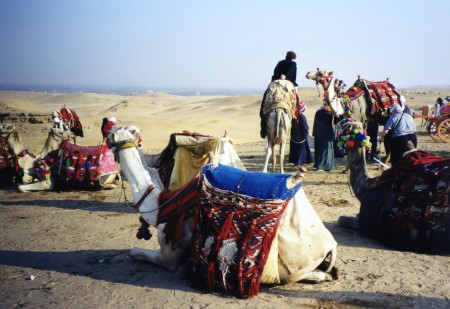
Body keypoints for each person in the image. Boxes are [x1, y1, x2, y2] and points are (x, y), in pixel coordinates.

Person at [260, 51, 298, 138]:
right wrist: (286, 78)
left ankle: (263, 120)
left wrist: (278, 78)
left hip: (276, 82)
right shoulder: (293, 64)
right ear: (293, 57)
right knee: (296, 99)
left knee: (266, 96)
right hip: (287, 83)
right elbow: (292, 75)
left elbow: (275, 73)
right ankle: (295, 119)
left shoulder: (280, 62)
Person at [312, 104, 336, 171]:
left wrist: (314, 134)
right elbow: (336, 122)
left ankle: (318, 165)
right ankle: (327, 166)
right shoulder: (330, 113)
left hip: (318, 134)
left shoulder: (318, 112)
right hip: (327, 134)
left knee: (319, 150)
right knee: (327, 150)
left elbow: (315, 124)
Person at [289, 101, 313, 166]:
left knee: (296, 150)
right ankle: (299, 162)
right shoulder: (302, 117)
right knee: (301, 150)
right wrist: (306, 134)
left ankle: (296, 162)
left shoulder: (294, 116)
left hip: (294, 137)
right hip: (302, 137)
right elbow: (305, 127)